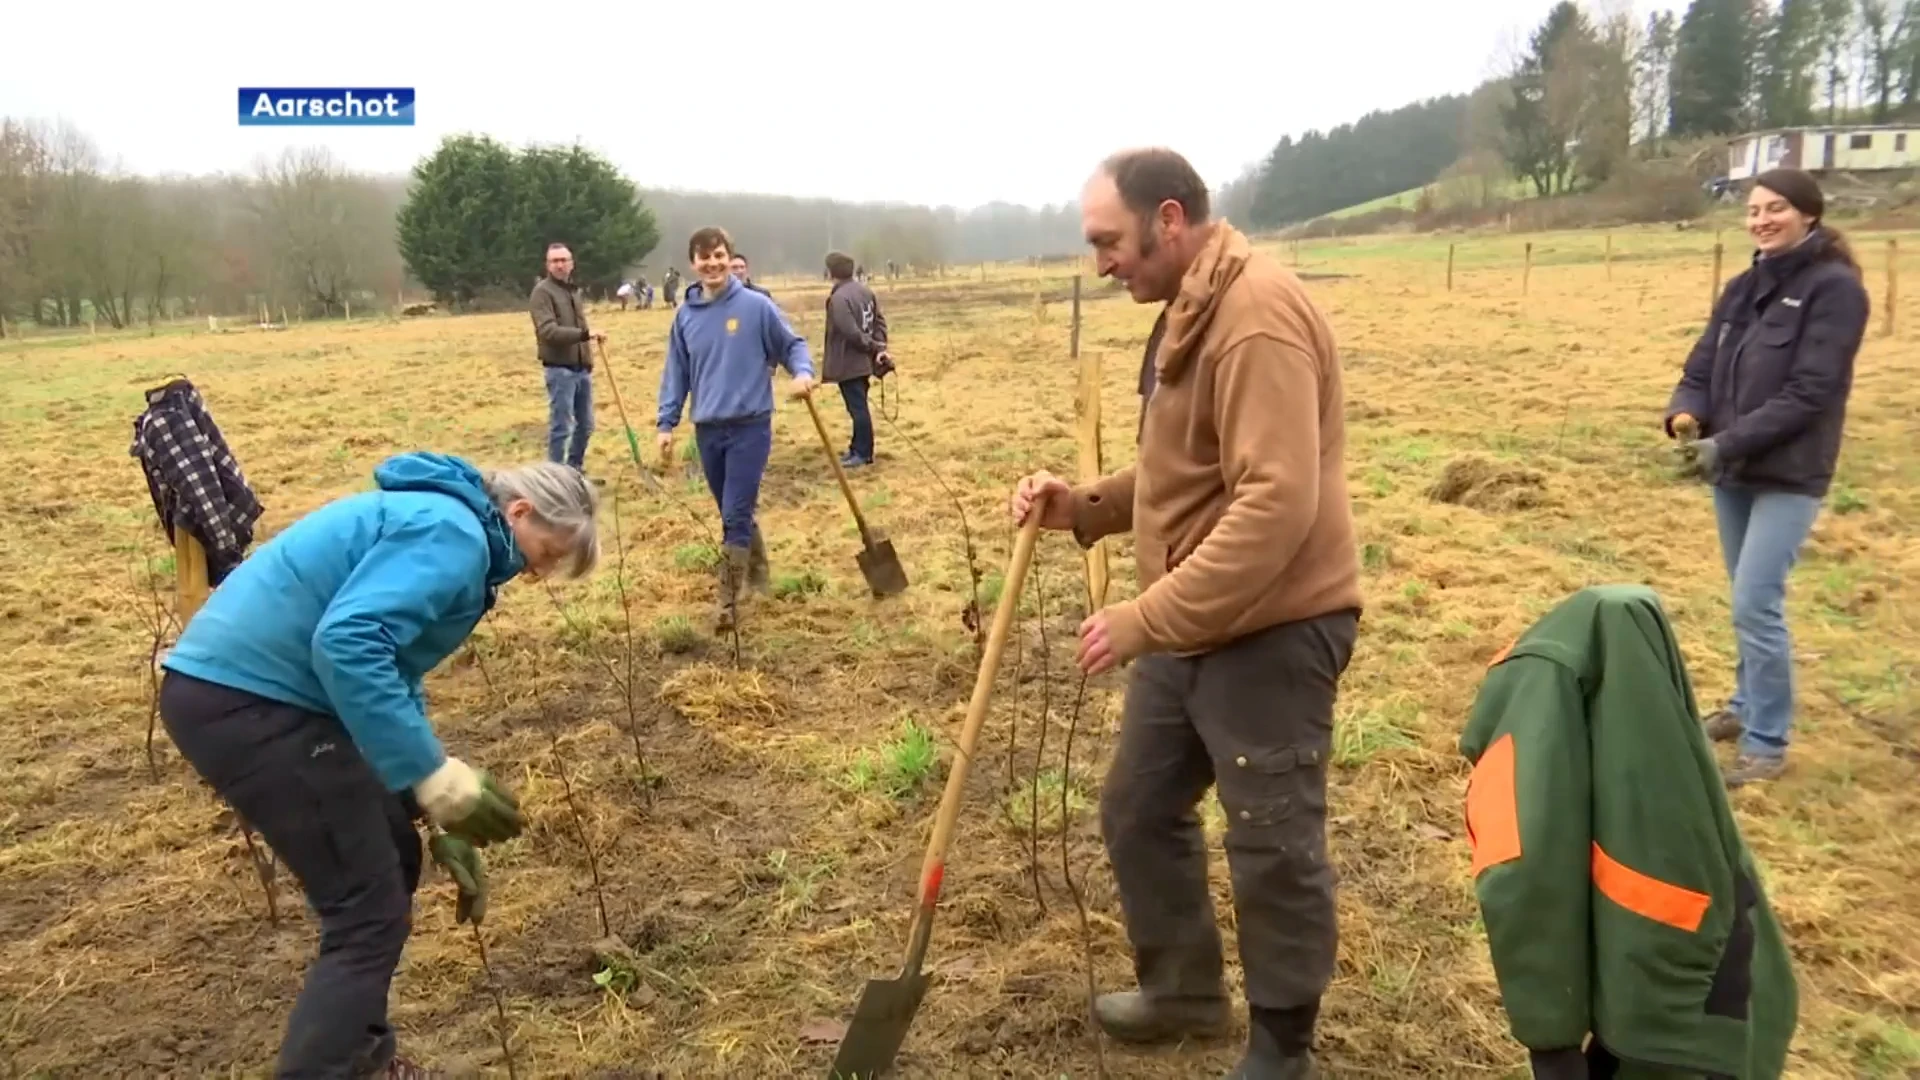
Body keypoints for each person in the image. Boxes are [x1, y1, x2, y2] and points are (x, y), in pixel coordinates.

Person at [1009, 147, 1362, 1080]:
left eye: (1109, 242)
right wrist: (1081, 507)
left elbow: (1275, 506)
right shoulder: (1187, 312)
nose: (1100, 265)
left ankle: (1283, 1043)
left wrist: (1144, 617)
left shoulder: (1254, 321)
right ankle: (1185, 995)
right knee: (1138, 805)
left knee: (1271, 837)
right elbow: (1185, 475)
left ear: (1170, 220)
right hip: (1197, 619)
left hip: (1278, 624)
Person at [157, 453, 601, 1079]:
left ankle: (365, 1056)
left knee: (391, 852)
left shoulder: (447, 520)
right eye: (549, 553)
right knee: (367, 910)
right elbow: (348, 643)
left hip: (258, 697)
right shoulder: (455, 535)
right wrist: (434, 775)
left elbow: (392, 668)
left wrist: (425, 802)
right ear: (520, 512)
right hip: (251, 702)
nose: (541, 573)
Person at [1459, 584, 1798, 1080]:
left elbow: (1521, 875)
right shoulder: (1641, 699)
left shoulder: (1541, 701)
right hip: (1735, 996)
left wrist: (1549, 1041)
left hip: (1672, 1028)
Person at [1664, 167, 1868, 788]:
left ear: (1809, 213)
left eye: (1776, 208)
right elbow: (1703, 360)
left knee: (1757, 601)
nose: (1762, 220)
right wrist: (1685, 409)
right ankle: (1745, 705)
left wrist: (1725, 443)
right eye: (1754, 210)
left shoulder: (1836, 290)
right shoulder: (1743, 285)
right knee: (1744, 598)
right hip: (1733, 466)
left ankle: (1766, 742)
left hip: (1789, 472)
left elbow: (1812, 391)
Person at [656, 226, 816, 630]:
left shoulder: (756, 307)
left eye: (719, 255)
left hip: (750, 427)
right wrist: (666, 422)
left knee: (734, 511)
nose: (712, 264)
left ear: (730, 258)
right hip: (708, 430)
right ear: (693, 263)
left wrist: (802, 372)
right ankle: (759, 572)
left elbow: (793, 344)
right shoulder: (685, 317)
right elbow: (676, 372)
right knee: (732, 510)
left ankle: (727, 602)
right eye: (704, 257)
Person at [529, 242, 605, 475]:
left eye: (564, 260)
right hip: (559, 370)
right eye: (555, 261)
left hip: (581, 369)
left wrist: (588, 358)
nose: (560, 265)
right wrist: (585, 335)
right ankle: (554, 477)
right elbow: (547, 331)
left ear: (572, 263)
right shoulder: (542, 292)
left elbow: (580, 325)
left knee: (587, 425)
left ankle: (573, 470)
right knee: (562, 426)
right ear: (548, 265)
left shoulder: (572, 292)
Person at [822, 250, 892, 468]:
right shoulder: (866, 292)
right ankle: (856, 447)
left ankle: (863, 453)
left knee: (858, 409)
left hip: (849, 361)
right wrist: (879, 347)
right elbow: (879, 323)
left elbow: (849, 331)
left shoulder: (839, 298)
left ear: (830, 272)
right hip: (863, 361)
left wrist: (872, 347)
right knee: (858, 406)